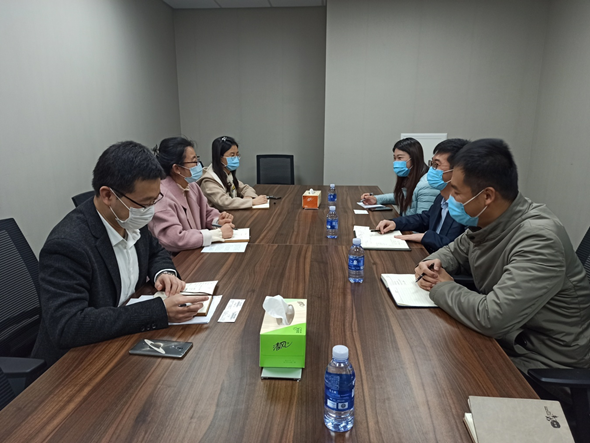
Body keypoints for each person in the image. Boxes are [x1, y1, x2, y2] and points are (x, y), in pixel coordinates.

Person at [414, 139, 590, 382]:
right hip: (508, 341)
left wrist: (441, 285)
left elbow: (492, 318)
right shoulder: (490, 220)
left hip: (541, 363)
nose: (450, 198)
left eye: (456, 192)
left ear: (487, 196)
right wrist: (432, 263)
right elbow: (454, 251)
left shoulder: (539, 239)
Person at [32, 141, 209, 366]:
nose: (150, 211)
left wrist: (164, 272)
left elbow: (156, 251)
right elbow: (69, 325)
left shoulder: (129, 218)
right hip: (77, 364)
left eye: (155, 200)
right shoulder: (67, 246)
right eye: (145, 203)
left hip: (123, 342)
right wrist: (158, 311)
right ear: (108, 195)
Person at [374, 139, 468, 253]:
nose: (431, 170)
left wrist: (426, 237)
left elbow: (460, 248)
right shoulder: (441, 196)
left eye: (437, 165)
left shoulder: (468, 206)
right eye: (432, 164)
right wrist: (395, 223)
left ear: (459, 171)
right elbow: (425, 218)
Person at [149, 136, 235, 253]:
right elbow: (173, 239)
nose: (198, 165)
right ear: (177, 168)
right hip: (179, 258)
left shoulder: (192, 185)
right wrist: (217, 234)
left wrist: (217, 221)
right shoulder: (160, 196)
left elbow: (206, 212)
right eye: (194, 161)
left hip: (197, 250)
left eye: (197, 159)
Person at [360, 137, 438, 216]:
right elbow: (403, 197)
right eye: (394, 158)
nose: (396, 162)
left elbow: (423, 219)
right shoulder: (409, 176)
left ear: (414, 158)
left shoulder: (427, 185)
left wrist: (396, 222)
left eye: (400, 158)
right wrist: (376, 199)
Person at [197, 136, 267, 210]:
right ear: (219, 158)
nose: (236, 158)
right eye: (232, 155)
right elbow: (224, 203)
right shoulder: (209, 180)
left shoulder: (227, 173)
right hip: (219, 216)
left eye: (237, 154)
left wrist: (248, 197)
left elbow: (245, 188)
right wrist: (252, 202)